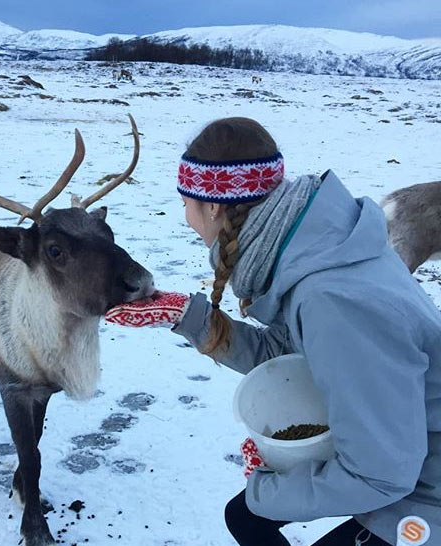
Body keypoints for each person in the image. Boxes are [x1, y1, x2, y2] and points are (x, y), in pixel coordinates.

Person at [105, 117, 440, 546]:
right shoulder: (325, 249)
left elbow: (381, 474)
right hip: (409, 455)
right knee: (246, 517)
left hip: (424, 500)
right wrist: (187, 317)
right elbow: (291, 355)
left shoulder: (331, 298)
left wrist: (265, 485)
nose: (185, 217)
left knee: (253, 509)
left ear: (214, 207)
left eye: (185, 201)